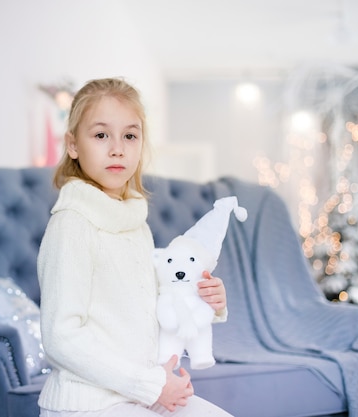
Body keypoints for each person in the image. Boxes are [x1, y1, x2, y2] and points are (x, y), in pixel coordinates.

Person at [37, 77, 233, 417]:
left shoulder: (134, 223)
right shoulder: (72, 224)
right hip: (88, 406)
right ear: (72, 144)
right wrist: (154, 385)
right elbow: (61, 336)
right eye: (101, 135)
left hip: (138, 395)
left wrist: (203, 300)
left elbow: (150, 308)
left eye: (130, 135)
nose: (118, 148)